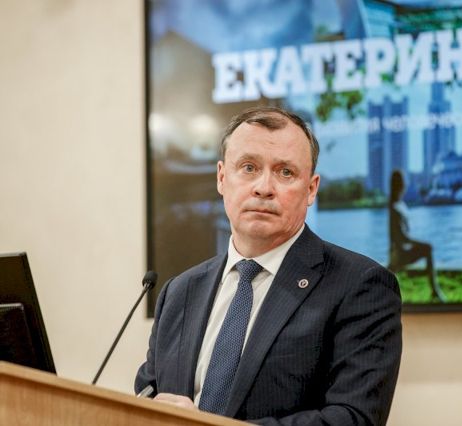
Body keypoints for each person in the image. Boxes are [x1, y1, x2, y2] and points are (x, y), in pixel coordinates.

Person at [135, 107, 402, 425]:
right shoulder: (179, 292)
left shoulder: (361, 286)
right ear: (222, 178)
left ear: (311, 189)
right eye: (248, 167)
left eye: (285, 172)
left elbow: (355, 418)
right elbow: (147, 396)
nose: (263, 187)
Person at [388, 169, 442, 302]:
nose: (406, 184)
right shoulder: (394, 207)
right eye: (403, 182)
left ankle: (433, 288)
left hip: (403, 250)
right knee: (427, 248)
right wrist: (421, 243)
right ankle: (434, 290)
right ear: (399, 185)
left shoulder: (401, 205)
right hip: (399, 254)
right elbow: (401, 238)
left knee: (427, 249)